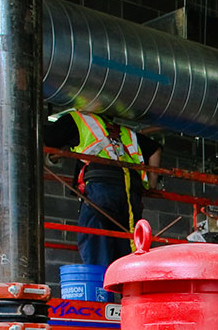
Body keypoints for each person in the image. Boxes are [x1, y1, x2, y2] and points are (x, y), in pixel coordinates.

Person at [45, 110, 163, 266]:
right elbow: (155, 149)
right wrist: (152, 183)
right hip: (130, 199)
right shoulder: (126, 133)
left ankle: (101, 289)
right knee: (128, 256)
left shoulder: (78, 120)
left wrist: (55, 156)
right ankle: (126, 289)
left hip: (101, 193)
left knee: (96, 251)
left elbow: (45, 142)